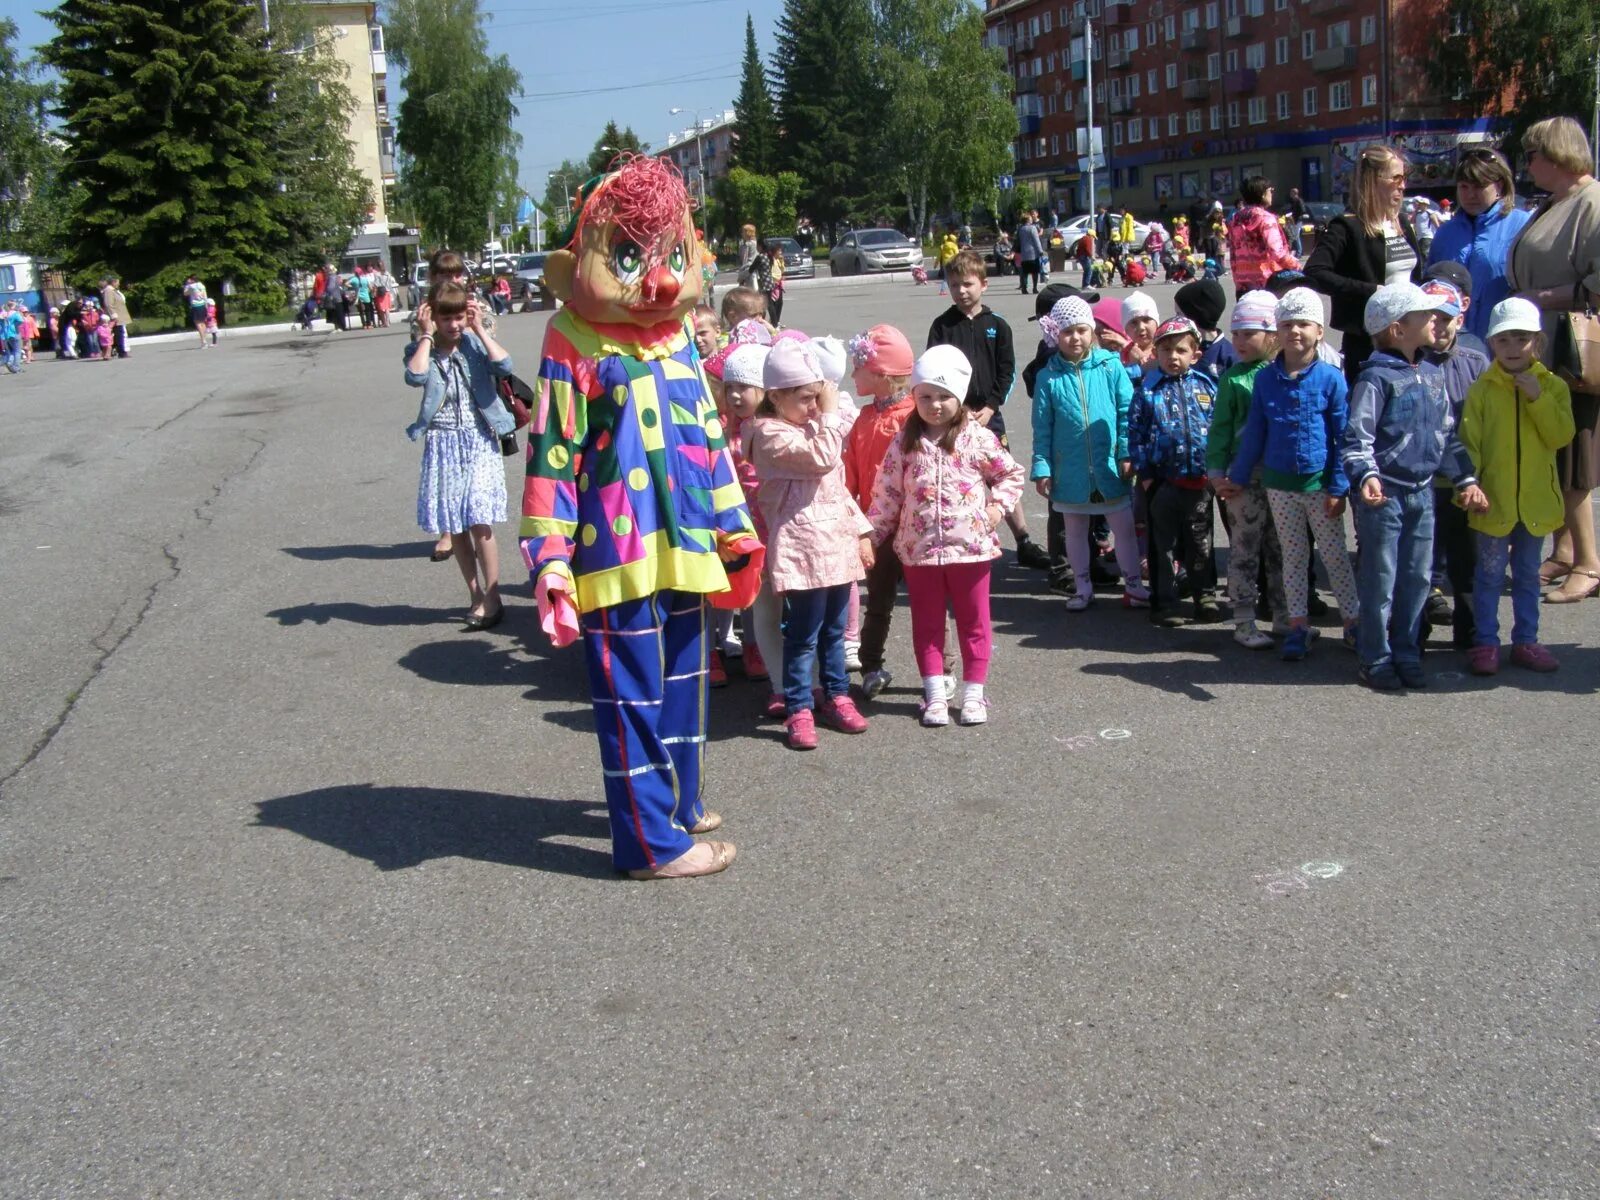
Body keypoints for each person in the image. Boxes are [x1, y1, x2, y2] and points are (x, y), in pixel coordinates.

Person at [520, 156, 758, 879]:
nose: (655, 280)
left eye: (667, 254)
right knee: (632, 695)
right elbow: (553, 453)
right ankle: (652, 847)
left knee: (684, 685)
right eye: (628, 255)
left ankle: (677, 806)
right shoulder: (574, 340)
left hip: (685, 541)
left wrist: (732, 520)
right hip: (614, 553)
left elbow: (706, 436)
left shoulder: (678, 333)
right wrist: (551, 557)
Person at [866, 344, 1024, 727]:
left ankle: (973, 693)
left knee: (974, 623)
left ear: (960, 397)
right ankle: (934, 694)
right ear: (915, 396)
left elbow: (1010, 473)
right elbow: (886, 493)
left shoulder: (978, 438)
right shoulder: (904, 441)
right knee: (927, 624)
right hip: (919, 552)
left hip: (970, 549)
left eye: (944, 397)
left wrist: (996, 509)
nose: (935, 405)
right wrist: (869, 537)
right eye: (925, 396)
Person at [1341, 284, 1484, 689]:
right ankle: (1375, 655)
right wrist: (1366, 475)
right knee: (1381, 579)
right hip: (1385, 494)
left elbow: (1446, 435)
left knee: (1418, 577)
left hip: (1423, 491)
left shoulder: (1434, 373)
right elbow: (1357, 438)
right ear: (1397, 329)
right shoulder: (1375, 378)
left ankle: (1406, 649)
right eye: (1427, 315)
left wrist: (1465, 477)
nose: (1436, 320)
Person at [745, 339, 872, 751]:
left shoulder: (813, 426)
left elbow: (836, 488)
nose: (815, 407)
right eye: (805, 399)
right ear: (775, 397)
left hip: (835, 544)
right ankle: (800, 705)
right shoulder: (768, 434)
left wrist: (863, 531)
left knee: (835, 631)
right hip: (802, 550)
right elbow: (821, 458)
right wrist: (830, 416)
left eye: (818, 398)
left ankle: (838, 695)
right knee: (802, 635)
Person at [1226, 287, 1359, 660]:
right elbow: (1255, 433)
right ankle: (1297, 626)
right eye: (1286, 324)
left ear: (1319, 331)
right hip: (1279, 486)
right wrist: (1237, 476)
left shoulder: (1331, 379)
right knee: (1293, 557)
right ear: (1277, 332)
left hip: (1320, 486)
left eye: (1303, 324)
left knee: (1333, 557)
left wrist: (1339, 485)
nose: (1294, 332)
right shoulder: (1267, 380)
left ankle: (1353, 622)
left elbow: (1342, 435)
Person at [1502, 116, 1600, 604]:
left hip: (1574, 350)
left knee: (1575, 452)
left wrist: (1543, 296)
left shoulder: (1592, 203)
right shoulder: (1557, 202)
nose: (1528, 164)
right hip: (1547, 345)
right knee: (1554, 451)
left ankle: (1589, 562)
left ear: (1556, 155)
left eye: (1533, 154)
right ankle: (1563, 549)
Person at [1459, 297, 1576, 675]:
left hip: (1536, 502)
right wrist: (1470, 482)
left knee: (1526, 575)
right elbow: (1469, 441)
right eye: (1504, 339)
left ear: (1536, 343)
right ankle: (1486, 642)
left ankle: (1526, 640)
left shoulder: (1552, 386)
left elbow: (1561, 435)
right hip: (1493, 502)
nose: (1512, 348)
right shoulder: (1482, 389)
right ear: (1492, 343)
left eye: (1521, 339)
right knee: (1490, 575)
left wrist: (1537, 398)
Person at [844, 324, 953, 700]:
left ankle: (944, 668)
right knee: (878, 600)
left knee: (931, 602)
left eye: (858, 367)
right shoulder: (862, 419)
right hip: (878, 527)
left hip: (919, 526)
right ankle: (871, 665)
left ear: (883, 375)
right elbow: (852, 475)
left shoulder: (914, 418)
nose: (852, 373)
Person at [404, 280, 516, 630]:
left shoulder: (473, 345)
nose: (453, 325)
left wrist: (479, 329)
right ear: (433, 317)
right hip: (443, 443)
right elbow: (414, 375)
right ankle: (475, 595)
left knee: (480, 518)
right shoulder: (424, 348)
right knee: (456, 524)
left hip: (479, 438)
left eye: (458, 317)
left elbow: (505, 365)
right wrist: (425, 336)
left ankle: (494, 597)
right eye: (445, 318)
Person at [926, 248, 1046, 570]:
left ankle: (1023, 540)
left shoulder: (998, 326)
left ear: (983, 284)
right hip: (953, 416)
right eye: (954, 285)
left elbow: (1007, 372)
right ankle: (950, 540)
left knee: (1001, 473)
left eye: (967, 284)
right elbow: (934, 371)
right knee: (953, 477)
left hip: (988, 416)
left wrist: (991, 407)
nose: (961, 291)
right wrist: (955, 409)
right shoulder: (942, 327)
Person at [1030, 296, 1150, 612]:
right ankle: (1082, 586)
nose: (1075, 338)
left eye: (1082, 330)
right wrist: (1042, 466)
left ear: (1092, 330)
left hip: (1109, 465)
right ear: (1055, 335)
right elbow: (1042, 427)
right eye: (1067, 332)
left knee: (1123, 528)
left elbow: (1127, 411)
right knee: (1075, 531)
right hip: (1069, 468)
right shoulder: (1048, 377)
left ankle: (1134, 587)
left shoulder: (1110, 365)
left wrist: (1126, 452)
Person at [1130, 316, 1222, 625]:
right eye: (1166, 350)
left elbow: (1218, 429)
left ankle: (1204, 595)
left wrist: (1216, 470)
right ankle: (1164, 601)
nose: (1173, 357)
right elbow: (1137, 434)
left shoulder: (1207, 386)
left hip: (1199, 480)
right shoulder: (1148, 390)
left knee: (1200, 542)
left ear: (1195, 354)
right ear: (1155, 353)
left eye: (1181, 350)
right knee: (1163, 545)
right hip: (1163, 481)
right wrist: (1146, 477)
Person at [1209, 290, 1287, 649]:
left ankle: (1286, 616)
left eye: (1248, 332)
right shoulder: (1233, 379)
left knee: (1283, 548)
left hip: (1282, 475)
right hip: (1243, 478)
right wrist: (1215, 470)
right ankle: (1243, 619)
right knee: (1244, 547)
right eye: (1235, 332)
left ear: (1273, 335)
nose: (1239, 340)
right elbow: (1220, 429)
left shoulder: (1285, 374)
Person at [1305, 145, 1420, 387]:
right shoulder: (1347, 226)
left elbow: (1417, 275)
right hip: (1369, 341)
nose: (1403, 186)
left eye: (1405, 178)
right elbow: (1315, 273)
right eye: (1396, 178)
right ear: (1372, 180)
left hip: (1410, 335)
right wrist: (1371, 291)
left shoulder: (1399, 222)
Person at [1419, 276, 1491, 647]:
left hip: (1466, 482)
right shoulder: (1410, 363)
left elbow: (1489, 423)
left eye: (1445, 318)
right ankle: (1415, 636)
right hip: (1424, 483)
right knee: (1419, 564)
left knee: (1467, 567)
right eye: (1429, 317)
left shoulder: (1476, 363)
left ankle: (1472, 636)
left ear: (1459, 320)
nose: (1437, 326)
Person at [1427, 148, 1530, 343]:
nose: (1470, 195)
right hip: (1452, 347)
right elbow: (1429, 286)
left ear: (1499, 186)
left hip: (1505, 346)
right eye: (1464, 187)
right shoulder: (1445, 232)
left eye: (1479, 187)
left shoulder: (1523, 226)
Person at [1228, 176, 1300, 298]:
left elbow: (1233, 254)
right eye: (1270, 190)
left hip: (1244, 283)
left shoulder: (1236, 219)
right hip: (1267, 282)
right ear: (1262, 194)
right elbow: (1277, 252)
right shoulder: (1266, 219)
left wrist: (1237, 281)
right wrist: (1296, 266)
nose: (1272, 193)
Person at [1175, 278, 1235, 380]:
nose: (1176, 320)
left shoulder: (1229, 356)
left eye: (1179, 314)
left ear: (1195, 316)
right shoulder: (1179, 348)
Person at [1120, 292, 1159, 371]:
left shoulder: (1164, 349)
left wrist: (1142, 361)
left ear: (1157, 323)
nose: (1141, 327)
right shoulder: (1122, 355)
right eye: (1134, 322)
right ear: (1126, 329)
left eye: (1146, 320)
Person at [101, 276, 131, 357]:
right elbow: (108, 304)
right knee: (119, 334)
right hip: (115, 317)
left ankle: (117, 350)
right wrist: (113, 315)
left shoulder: (113, 290)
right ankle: (121, 351)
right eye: (118, 282)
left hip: (119, 316)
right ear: (113, 282)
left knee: (119, 333)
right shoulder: (109, 290)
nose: (119, 284)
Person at [1016, 211, 1044, 294]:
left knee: (1025, 272)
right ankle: (1034, 288)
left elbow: (1018, 241)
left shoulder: (1020, 229)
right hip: (1033, 254)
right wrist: (1040, 251)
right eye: (1030, 218)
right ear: (1028, 220)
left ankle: (1024, 288)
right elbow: (1036, 241)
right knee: (1035, 272)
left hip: (1024, 254)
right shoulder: (1032, 228)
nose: (1032, 219)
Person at [182, 275, 209, 349]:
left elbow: (185, 293)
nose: (188, 280)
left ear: (192, 280)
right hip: (203, 305)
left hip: (196, 305)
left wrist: (187, 285)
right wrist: (206, 304)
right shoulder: (202, 285)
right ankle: (205, 340)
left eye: (189, 279)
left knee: (198, 323)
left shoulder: (191, 286)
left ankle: (203, 341)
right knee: (203, 323)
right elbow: (205, 295)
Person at [1282, 186, 1309, 258]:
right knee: (1296, 236)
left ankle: (1299, 253)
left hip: (1298, 221)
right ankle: (1299, 252)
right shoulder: (1293, 201)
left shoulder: (1299, 201)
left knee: (1296, 237)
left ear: (1294, 193)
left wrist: (1297, 216)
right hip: (1294, 220)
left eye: (1291, 193)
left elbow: (1302, 210)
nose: (1290, 194)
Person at [736, 223, 760, 287]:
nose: (741, 234)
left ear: (748, 233)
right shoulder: (756, 243)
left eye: (743, 232)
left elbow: (745, 259)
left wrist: (741, 275)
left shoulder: (747, 244)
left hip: (748, 269)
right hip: (756, 269)